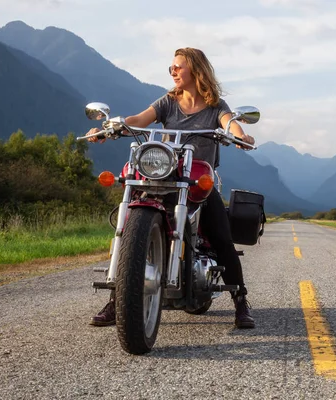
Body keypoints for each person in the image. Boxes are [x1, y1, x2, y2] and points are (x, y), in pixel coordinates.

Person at [88, 47, 256, 329]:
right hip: (164, 173)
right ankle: (119, 299)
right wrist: (111, 126)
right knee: (128, 226)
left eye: (178, 67)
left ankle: (240, 301)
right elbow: (140, 119)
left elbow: (230, 124)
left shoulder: (216, 106)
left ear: (196, 70)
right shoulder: (168, 101)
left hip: (197, 179)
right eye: (171, 68)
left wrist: (240, 135)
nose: (173, 72)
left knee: (221, 238)